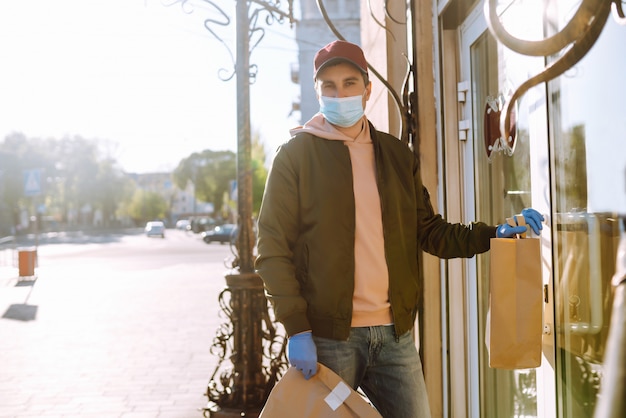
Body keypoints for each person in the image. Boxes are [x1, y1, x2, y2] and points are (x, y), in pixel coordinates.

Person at [254, 40, 544, 418]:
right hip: (328, 339)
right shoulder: (295, 157)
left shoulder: (396, 155)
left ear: (367, 89)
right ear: (317, 92)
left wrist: (494, 234)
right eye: (329, 86)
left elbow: (430, 231)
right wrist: (297, 328)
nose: (339, 93)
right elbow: (272, 250)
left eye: (349, 83)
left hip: (395, 336)